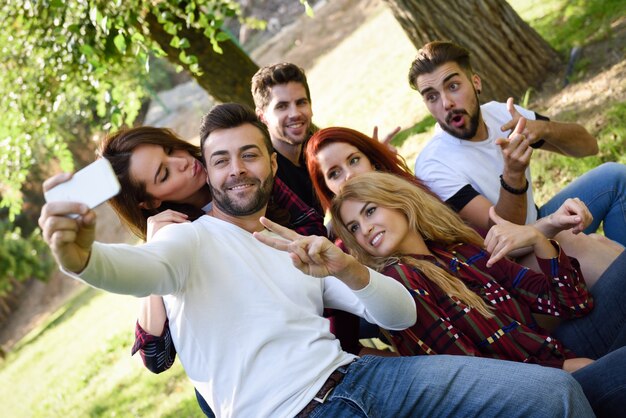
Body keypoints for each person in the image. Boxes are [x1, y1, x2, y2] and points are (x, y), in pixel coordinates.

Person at [39, 103, 593, 418]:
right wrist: (76, 252)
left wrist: (347, 268)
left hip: (362, 376)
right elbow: (123, 271)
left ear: (272, 168)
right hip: (294, 410)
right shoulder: (183, 242)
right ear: (208, 173)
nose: (235, 168)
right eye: (220, 159)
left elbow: (399, 314)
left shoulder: (291, 242)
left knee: (558, 396)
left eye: (250, 154)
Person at [330, 171, 626, 417]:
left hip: (555, 354)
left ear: (401, 202)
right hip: (537, 396)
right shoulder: (401, 280)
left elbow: (574, 303)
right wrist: (561, 369)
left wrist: (538, 239)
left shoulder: (456, 250)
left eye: (370, 211)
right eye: (354, 227)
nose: (366, 229)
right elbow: (479, 379)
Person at [98, 126, 326, 416]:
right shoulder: (176, 238)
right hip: (253, 370)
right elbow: (156, 357)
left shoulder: (239, 170)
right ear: (151, 202)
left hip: (312, 306)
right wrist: (153, 251)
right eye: (164, 174)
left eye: (170, 149)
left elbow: (313, 228)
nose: (181, 162)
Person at [410, 40, 626, 249]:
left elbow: (589, 147)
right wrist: (513, 175)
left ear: (476, 82)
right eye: (432, 97)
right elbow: (502, 234)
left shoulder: (500, 113)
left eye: (453, 86)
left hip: (542, 226)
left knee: (614, 177)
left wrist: (544, 129)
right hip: (513, 262)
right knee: (601, 254)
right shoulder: (433, 164)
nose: (446, 103)